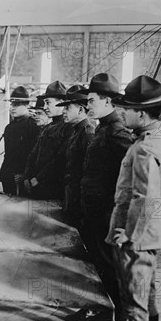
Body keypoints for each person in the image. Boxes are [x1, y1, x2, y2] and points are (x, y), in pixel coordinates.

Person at [106, 75, 161, 321]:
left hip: (138, 238)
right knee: (146, 298)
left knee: (136, 304)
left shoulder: (146, 148)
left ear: (143, 115)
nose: (122, 112)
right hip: (149, 235)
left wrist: (129, 236)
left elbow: (145, 198)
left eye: (128, 108)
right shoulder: (154, 140)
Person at [76, 73, 134, 321]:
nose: (88, 105)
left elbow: (135, 174)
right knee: (104, 272)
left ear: (108, 101)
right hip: (94, 213)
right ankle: (109, 317)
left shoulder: (117, 133)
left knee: (116, 275)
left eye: (91, 100)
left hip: (107, 216)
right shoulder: (101, 129)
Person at [20, 81, 73, 200]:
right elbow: (33, 154)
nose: (45, 107)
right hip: (36, 185)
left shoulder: (67, 128)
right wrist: (27, 176)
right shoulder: (47, 128)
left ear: (61, 103)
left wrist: (38, 179)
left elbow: (59, 160)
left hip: (52, 188)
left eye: (48, 103)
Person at [56, 84, 95, 226]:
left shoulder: (88, 133)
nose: (63, 112)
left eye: (67, 108)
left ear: (80, 109)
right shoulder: (75, 132)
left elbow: (88, 172)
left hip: (79, 199)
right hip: (70, 195)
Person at [0, 86, 40, 196]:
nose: (13, 107)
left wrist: (24, 174)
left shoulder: (33, 126)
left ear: (27, 105)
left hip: (23, 178)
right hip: (7, 176)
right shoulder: (9, 127)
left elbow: (34, 155)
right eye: (12, 104)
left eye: (17, 104)